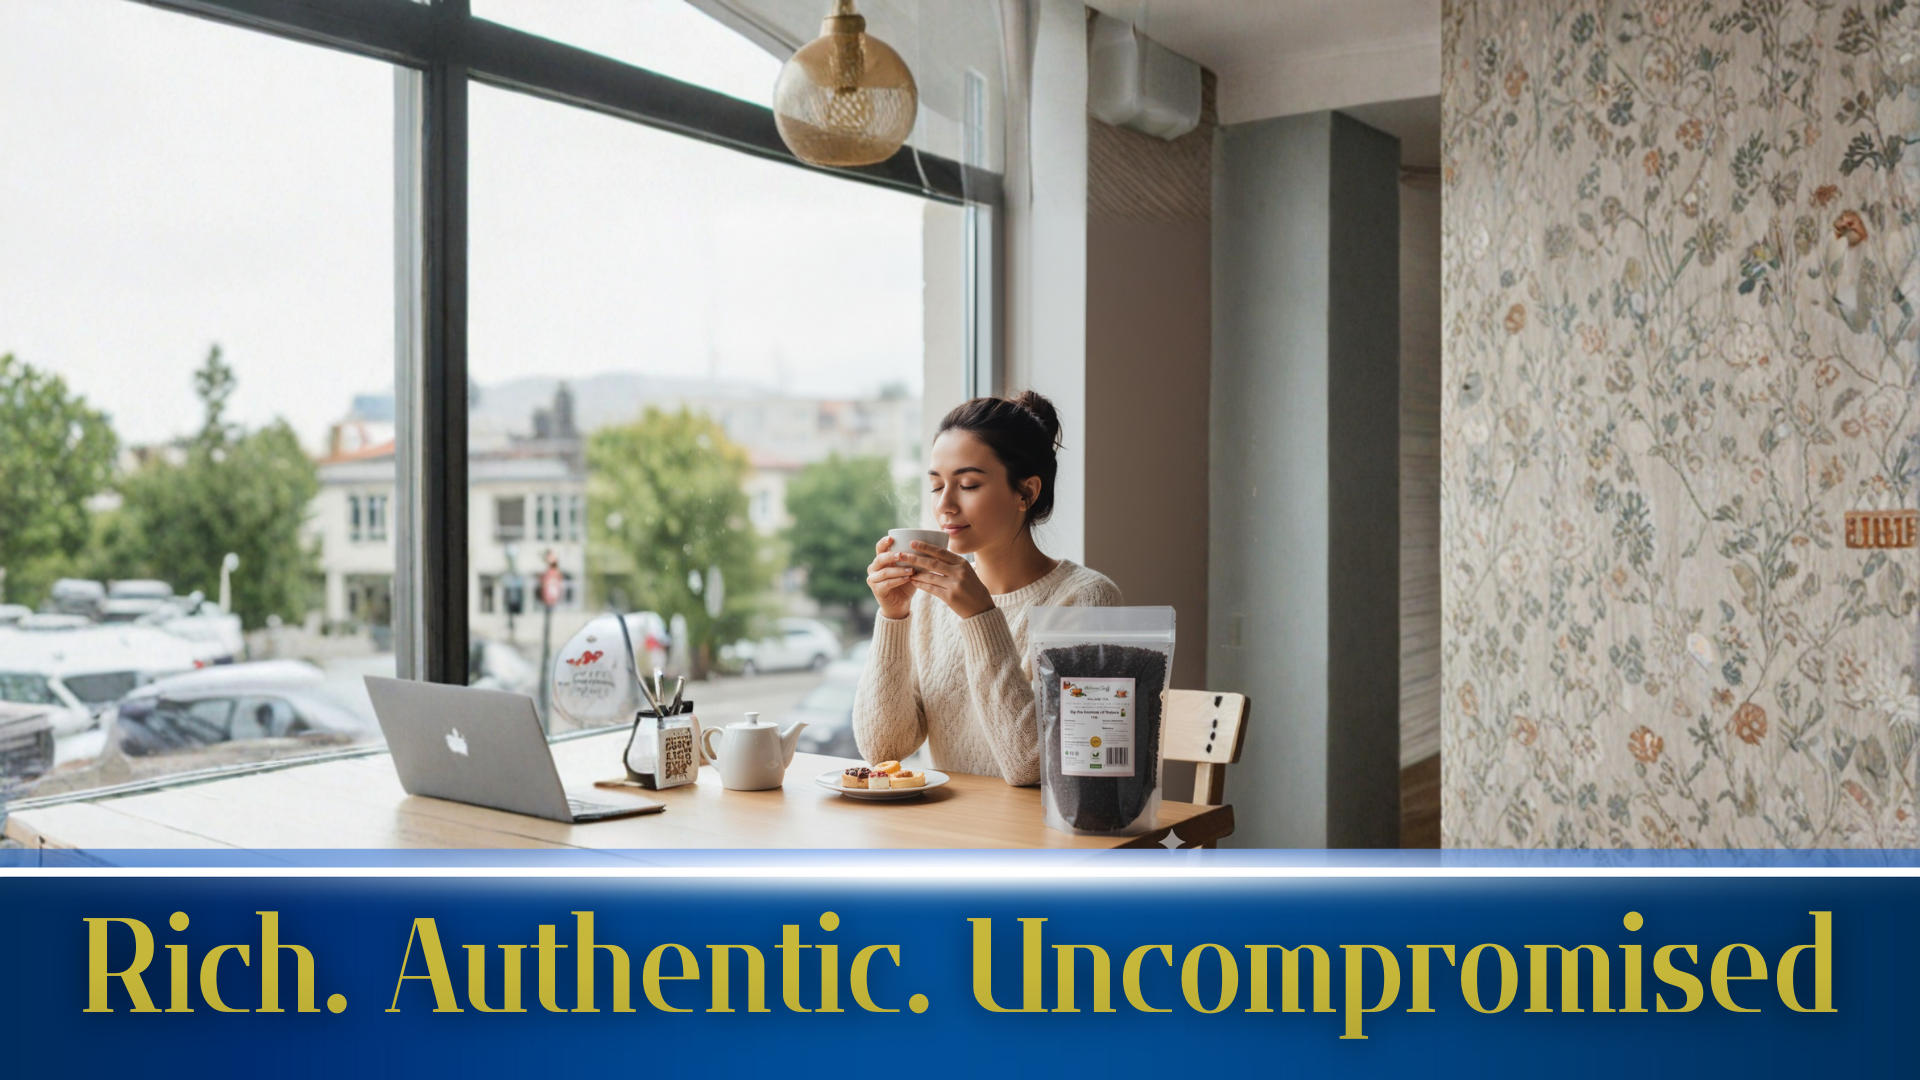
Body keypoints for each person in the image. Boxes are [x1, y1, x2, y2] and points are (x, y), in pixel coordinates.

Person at [852, 391, 1120, 786]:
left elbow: (1032, 766)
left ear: (1026, 492)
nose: (944, 505)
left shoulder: (1086, 600)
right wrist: (893, 617)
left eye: (969, 484)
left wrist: (980, 617)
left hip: (1037, 840)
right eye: (936, 485)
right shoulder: (929, 599)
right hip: (948, 836)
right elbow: (883, 750)